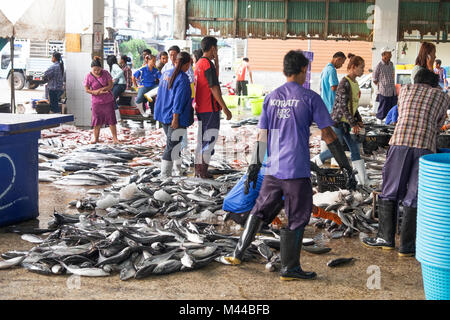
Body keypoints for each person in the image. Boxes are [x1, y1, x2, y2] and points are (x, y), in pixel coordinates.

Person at [223, 50, 357, 281]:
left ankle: (237, 253)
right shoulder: (310, 97)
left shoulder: (271, 97)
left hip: (272, 169)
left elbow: (261, 136)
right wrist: (346, 166)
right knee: (297, 217)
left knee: (260, 211)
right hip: (296, 171)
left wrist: (254, 167)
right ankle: (290, 268)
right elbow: (328, 135)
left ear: (286, 70)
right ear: (303, 70)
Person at [362, 69, 450, 257]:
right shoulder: (443, 96)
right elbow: (438, 123)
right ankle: (407, 246)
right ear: (434, 83)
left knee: (390, 190)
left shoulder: (406, 90)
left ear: (416, 80)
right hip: (425, 147)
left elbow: (402, 113)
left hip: (401, 142)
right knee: (415, 194)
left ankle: (385, 239)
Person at [312, 54, 369, 187]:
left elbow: (353, 106)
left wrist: (358, 120)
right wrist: (353, 123)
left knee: (354, 149)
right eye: (361, 67)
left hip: (347, 122)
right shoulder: (344, 82)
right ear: (353, 67)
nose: (363, 70)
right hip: (338, 122)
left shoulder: (355, 83)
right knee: (336, 150)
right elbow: (343, 106)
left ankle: (362, 181)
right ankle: (313, 164)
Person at [194, 36, 233, 178]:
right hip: (210, 108)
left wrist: (216, 61)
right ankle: (202, 173)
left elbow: (212, 78)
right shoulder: (207, 65)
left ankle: (199, 170)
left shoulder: (199, 63)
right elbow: (214, 87)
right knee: (209, 140)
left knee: (202, 140)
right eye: (216, 48)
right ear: (212, 48)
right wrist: (225, 108)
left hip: (200, 108)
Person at [154, 52, 194, 177]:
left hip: (163, 114)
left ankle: (177, 170)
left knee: (174, 144)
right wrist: (175, 119)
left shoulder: (166, 73)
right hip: (175, 118)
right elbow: (179, 100)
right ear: (187, 64)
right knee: (171, 146)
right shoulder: (182, 78)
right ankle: (164, 175)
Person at [83, 56, 119, 144]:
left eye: (98, 70)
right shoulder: (88, 76)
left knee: (111, 119)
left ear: (101, 68)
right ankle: (96, 138)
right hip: (96, 102)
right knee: (96, 120)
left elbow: (111, 85)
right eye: (94, 70)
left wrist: (103, 90)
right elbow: (87, 89)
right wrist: (95, 92)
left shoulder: (106, 73)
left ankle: (115, 138)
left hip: (108, 100)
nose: (96, 72)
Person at [373, 47, 397, 120]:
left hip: (392, 91)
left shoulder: (391, 64)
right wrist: (381, 86)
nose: (390, 55)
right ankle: (380, 126)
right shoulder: (379, 66)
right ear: (383, 55)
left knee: (393, 110)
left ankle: (390, 123)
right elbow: (374, 79)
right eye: (389, 53)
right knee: (382, 111)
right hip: (384, 92)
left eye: (390, 53)